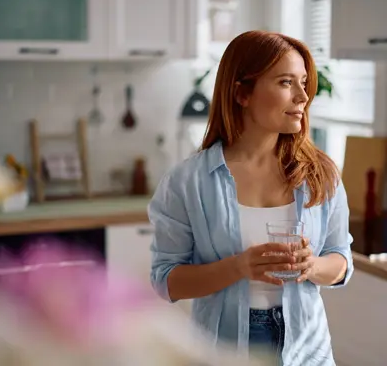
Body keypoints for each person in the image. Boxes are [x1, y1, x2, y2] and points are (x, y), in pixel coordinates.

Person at [148, 30, 353, 366]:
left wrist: (311, 265)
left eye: (304, 82)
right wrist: (238, 266)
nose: (303, 96)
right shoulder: (188, 181)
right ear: (242, 93)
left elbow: (340, 260)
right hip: (223, 351)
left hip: (308, 351)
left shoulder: (321, 173)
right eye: (287, 82)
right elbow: (166, 280)